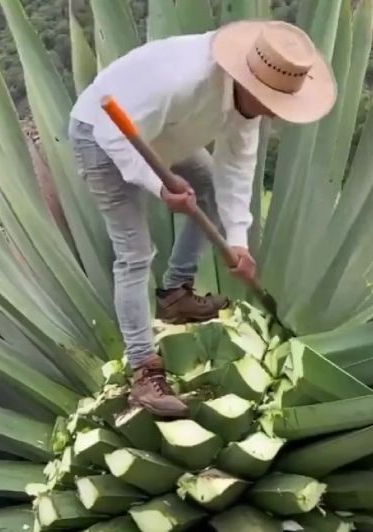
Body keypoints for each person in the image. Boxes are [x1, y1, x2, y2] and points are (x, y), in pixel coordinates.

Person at [69, 20, 336, 418]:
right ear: (249, 82)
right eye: (273, 104)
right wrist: (160, 187)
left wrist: (239, 243)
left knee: (208, 185)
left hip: (164, 132)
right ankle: (143, 371)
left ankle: (176, 293)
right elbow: (114, 132)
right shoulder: (185, 81)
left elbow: (237, 168)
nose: (274, 114)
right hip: (105, 133)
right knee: (135, 253)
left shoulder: (247, 102)